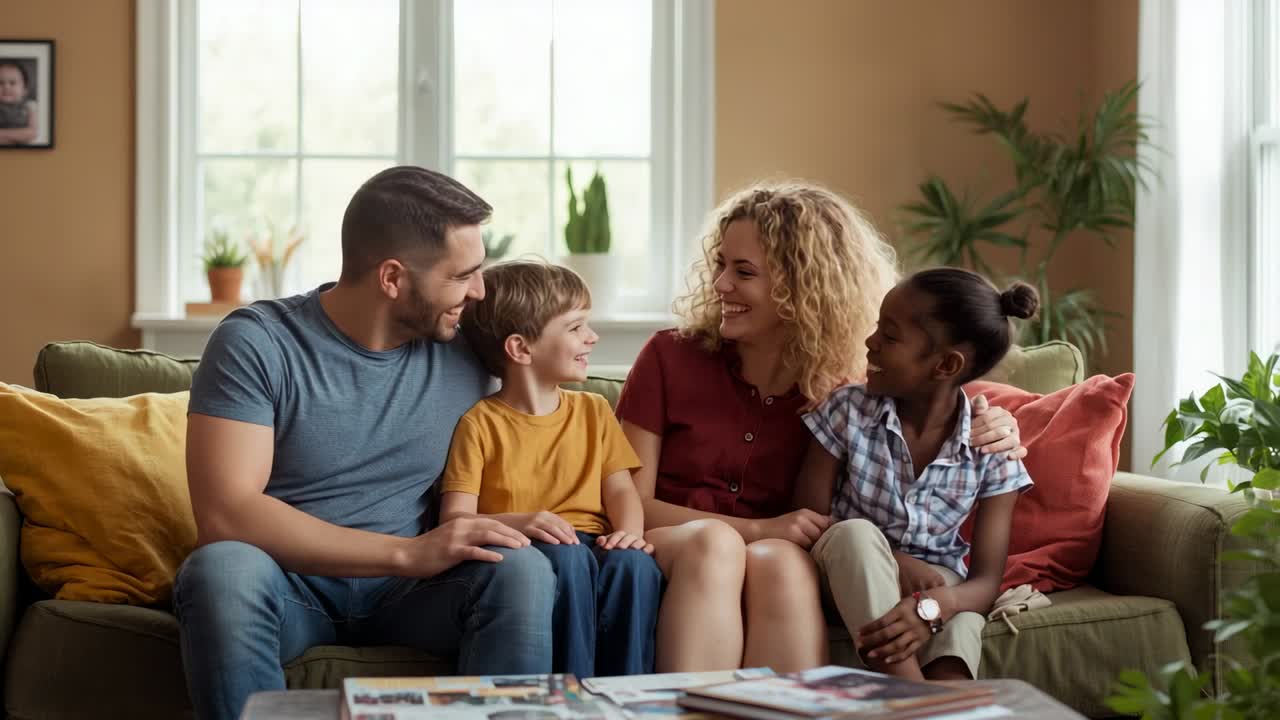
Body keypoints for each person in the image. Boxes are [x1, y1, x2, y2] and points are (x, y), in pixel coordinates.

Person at [175, 167, 558, 720]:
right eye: (462, 276)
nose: (479, 291)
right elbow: (227, 513)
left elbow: (560, 355)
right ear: (392, 278)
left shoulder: (467, 339)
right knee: (222, 569)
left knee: (521, 570)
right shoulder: (258, 343)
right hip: (289, 581)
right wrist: (407, 554)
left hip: (415, 595)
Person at [616, 182, 1026, 673]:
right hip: (677, 541)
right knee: (718, 544)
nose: (720, 284)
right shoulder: (669, 356)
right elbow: (630, 504)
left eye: (742, 272)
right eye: (719, 265)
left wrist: (999, 420)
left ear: (802, 287)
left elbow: (940, 397)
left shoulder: (852, 386)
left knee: (781, 561)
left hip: (784, 551)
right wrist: (757, 527)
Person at [794, 268, 1038, 681]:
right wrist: (894, 560)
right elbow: (806, 520)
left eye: (889, 337)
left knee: (960, 614)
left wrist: (936, 607)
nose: (870, 343)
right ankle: (910, 696)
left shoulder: (992, 449)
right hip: (843, 567)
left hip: (931, 581)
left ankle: (946, 705)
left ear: (945, 364)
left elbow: (985, 582)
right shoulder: (848, 409)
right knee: (855, 535)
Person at [441, 260, 663, 679]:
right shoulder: (480, 423)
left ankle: (626, 698)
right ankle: (571, 697)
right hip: (531, 549)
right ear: (521, 349)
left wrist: (630, 533)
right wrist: (523, 523)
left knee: (635, 566)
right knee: (567, 557)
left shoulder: (594, 411)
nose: (592, 337)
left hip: (595, 540)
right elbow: (455, 518)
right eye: (576, 327)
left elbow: (621, 492)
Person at [0, 60, 38, 145]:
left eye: (12, 83)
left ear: (24, 90)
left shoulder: (30, 106)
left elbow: (32, 134)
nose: (6, 87)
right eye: (0, 83)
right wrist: (18, 136)